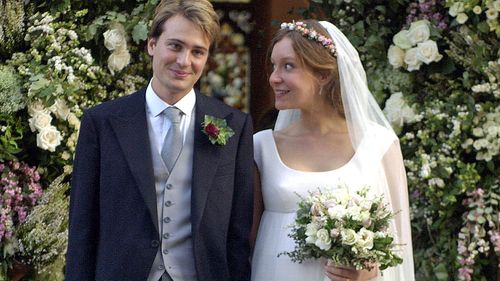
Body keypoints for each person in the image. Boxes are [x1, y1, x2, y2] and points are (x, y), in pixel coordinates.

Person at [65, 1, 254, 280]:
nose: (184, 61)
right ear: (152, 44)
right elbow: (82, 227)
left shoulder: (234, 127)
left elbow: (238, 236)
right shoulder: (102, 122)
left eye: (197, 51)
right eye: (175, 46)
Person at [250, 20, 415, 281]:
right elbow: (242, 240)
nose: (274, 77)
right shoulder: (260, 147)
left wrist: (371, 269)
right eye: (274, 65)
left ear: (324, 75)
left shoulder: (378, 145)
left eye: (288, 66)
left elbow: (398, 242)